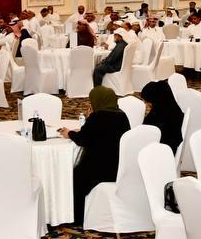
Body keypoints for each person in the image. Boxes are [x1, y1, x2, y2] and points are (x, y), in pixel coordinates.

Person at [67, 86, 131, 224]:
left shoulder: (97, 117)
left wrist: (69, 133)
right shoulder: (122, 115)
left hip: (100, 169)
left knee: (74, 175)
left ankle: (78, 217)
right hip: (119, 166)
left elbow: (82, 139)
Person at [141, 79, 184, 153]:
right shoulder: (174, 109)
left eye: (148, 101)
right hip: (170, 149)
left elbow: (145, 133)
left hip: (161, 152)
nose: (147, 104)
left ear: (155, 99)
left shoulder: (157, 117)